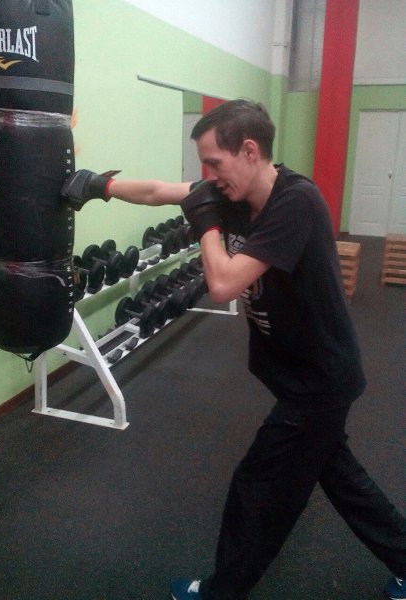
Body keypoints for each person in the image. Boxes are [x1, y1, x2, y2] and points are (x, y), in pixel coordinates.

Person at [61, 99, 406, 600]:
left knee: (259, 487)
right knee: (340, 476)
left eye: (214, 163)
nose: (209, 176)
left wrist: (206, 224)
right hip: (297, 371)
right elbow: (159, 191)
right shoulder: (232, 192)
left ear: (249, 150)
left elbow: (222, 284)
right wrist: (99, 187)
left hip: (319, 380)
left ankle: (221, 592)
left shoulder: (295, 202)